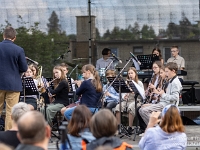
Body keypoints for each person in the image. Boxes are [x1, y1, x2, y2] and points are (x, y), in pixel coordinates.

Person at [139, 62, 182, 131]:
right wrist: (159, 93)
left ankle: (157, 129)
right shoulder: (171, 80)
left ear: (173, 71)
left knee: (143, 111)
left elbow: (175, 98)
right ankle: (157, 127)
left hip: (167, 105)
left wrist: (162, 94)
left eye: (167, 71)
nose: (166, 73)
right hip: (162, 103)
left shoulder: (175, 82)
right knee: (142, 109)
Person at [0, 26, 28, 130]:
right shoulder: (19, 50)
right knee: (10, 112)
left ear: (3, 36)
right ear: (14, 37)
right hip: (13, 84)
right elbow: (24, 68)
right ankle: (9, 138)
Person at [115, 67, 144, 135]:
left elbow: (142, 95)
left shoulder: (139, 83)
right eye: (129, 73)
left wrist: (134, 92)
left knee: (131, 107)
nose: (130, 75)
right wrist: (124, 96)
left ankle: (130, 127)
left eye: (132, 73)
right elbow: (123, 94)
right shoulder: (126, 83)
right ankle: (119, 127)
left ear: (135, 74)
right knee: (118, 107)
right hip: (127, 101)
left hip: (136, 100)